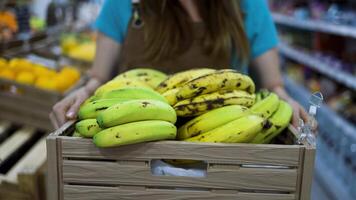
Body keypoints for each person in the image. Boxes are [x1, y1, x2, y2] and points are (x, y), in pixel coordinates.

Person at [50, 0, 309, 129]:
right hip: (131, 145)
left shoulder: (248, 5)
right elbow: (98, 77)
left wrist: (286, 102)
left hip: (219, 151)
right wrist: (85, 92)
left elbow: (274, 84)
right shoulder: (125, 3)